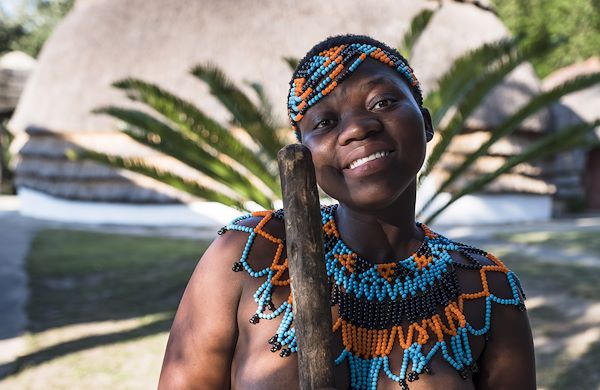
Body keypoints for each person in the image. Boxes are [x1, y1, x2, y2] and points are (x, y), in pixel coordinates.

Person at [158, 34, 536, 390]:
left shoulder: (487, 290)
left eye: (382, 102)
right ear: (304, 154)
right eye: (324, 122)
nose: (357, 128)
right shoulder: (252, 253)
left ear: (426, 123)